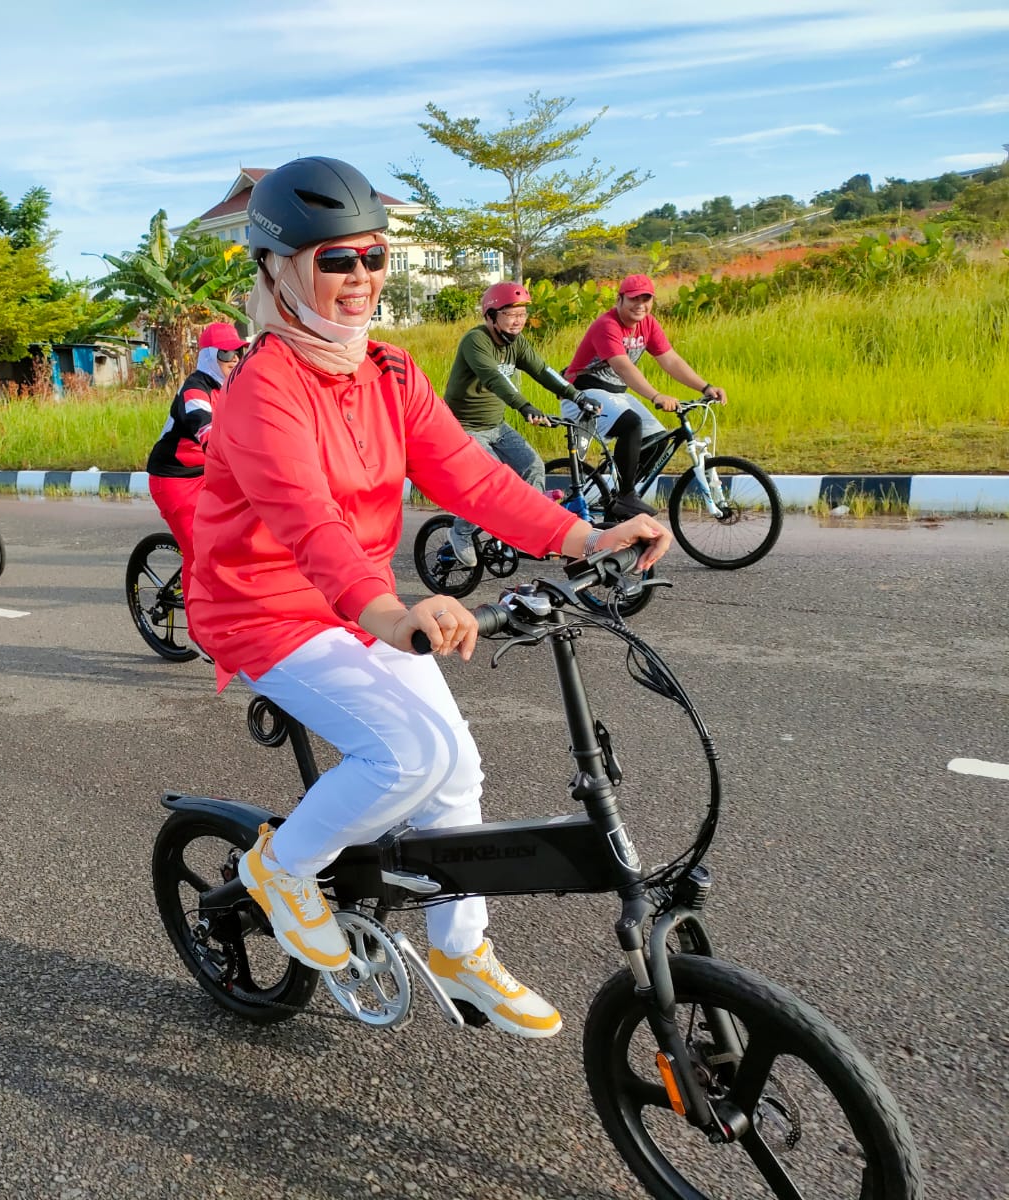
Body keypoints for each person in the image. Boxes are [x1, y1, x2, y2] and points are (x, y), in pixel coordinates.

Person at [187, 157, 670, 1037]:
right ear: (278, 269)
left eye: (373, 257)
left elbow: (474, 481)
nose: (361, 277)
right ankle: (281, 869)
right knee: (408, 756)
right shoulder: (262, 388)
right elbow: (307, 521)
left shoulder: (392, 373)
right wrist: (389, 613)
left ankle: (459, 949)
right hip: (263, 609)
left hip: (355, 601)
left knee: (458, 767)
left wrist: (588, 537)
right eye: (336, 260)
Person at [441, 282, 599, 565]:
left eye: (522, 314)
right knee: (491, 481)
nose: (518, 321)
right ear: (491, 316)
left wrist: (577, 396)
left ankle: (526, 531)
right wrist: (524, 406)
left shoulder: (517, 343)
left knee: (533, 466)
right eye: (511, 314)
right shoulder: (475, 341)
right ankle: (460, 532)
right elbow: (494, 378)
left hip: (496, 425)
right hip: (464, 428)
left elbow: (543, 370)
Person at [561, 274, 728, 519]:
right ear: (619, 299)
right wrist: (656, 395)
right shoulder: (607, 325)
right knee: (631, 424)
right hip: (582, 393)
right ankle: (626, 496)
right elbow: (623, 367)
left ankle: (617, 500)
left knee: (658, 440)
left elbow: (670, 360)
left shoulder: (648, 323)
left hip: (614, 394)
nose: (640, 305)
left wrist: (705, 387)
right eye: (633, 299)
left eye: (646, 299)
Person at [145, 321, 246, 615]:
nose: (234, 360)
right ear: (209, 357)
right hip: (173, 479)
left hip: (208, 472)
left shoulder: (236, 387)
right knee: (199, 552)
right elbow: (207, 430)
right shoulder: (195, 390)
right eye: (226, 354)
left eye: (238, 353)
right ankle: (198, 628)